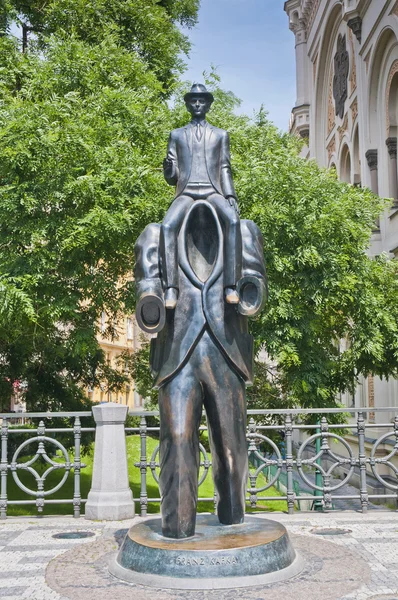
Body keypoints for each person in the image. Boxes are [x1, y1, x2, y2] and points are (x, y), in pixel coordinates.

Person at [161, 83, 242, 309]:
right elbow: (172, 177)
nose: (197, 104)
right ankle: (170, 289)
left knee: (234, 221)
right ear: (187, 105)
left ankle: (231, 287)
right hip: (186, 192)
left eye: (201, 100)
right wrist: (168, 169)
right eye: (193, 101)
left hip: (212, 191)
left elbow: (225, 168)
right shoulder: (176, 135)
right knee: (167, 227)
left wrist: (230, 196)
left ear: (208, 104)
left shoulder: (220, 135)